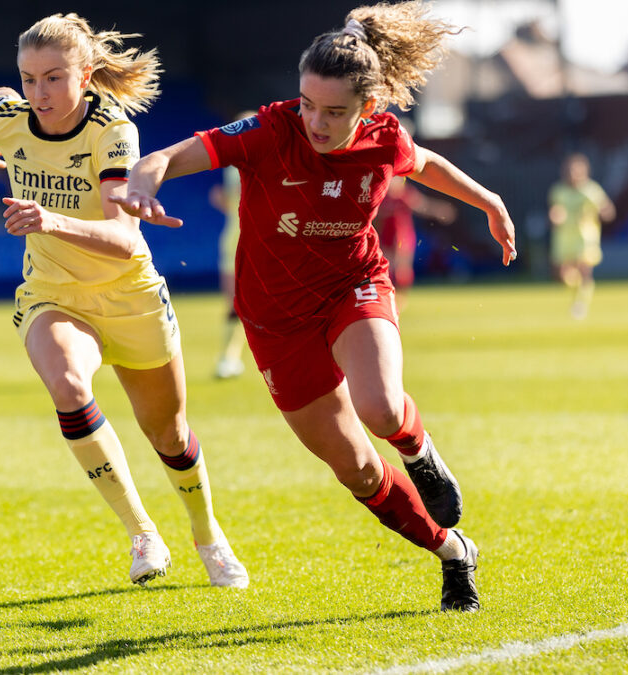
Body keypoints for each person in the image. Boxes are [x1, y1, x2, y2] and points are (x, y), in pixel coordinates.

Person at [112, 1, 518, 611]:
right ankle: (454, 551)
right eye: (307, 104)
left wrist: (488, 200)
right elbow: (165, 157)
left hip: (352, 287)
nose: (316, 122)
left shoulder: (384, 138)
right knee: (355, 468)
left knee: (380, 408)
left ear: (368, 107)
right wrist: (143, 181)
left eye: (335, 112)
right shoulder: (269, 130)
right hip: (274, 321)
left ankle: (418, 451)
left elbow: (426, 163)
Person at [0, 13, 248, 588]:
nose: (37, 94)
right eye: (28, 79)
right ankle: (142, 533)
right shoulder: (9, 115)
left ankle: (206, 533)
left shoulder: (112, 131)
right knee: (68, 386)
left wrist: (47, 217)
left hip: (130, 295)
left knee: (168, 434)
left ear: (86, 73)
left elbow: (124, 240)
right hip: (52, 293)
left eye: (52, 78)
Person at [207, 112, 255, 379]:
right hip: (234, 240)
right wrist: (223, 200)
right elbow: (237, 204)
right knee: (235, 302)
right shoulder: (232, 166)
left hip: (260, 240)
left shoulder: (272, 160)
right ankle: (228, 358)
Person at [548, 152, 615, 319]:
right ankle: (578, 289)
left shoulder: (591, 190)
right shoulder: (558, 190)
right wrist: (555, 216)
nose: (572, 174)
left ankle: (581, 304)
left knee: (584, 269)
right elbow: (555, 211)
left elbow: (608, 210)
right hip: (564, 238)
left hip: (585, 237)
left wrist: (603, 212)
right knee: (562, 275)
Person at [373, 176, 456, 310]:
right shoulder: (381, 196)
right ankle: (388, 295)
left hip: (402, 237)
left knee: (402, 269)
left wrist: (439, 211)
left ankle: (400, 297)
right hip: (385, 237)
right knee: (387, 268)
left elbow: (422, 206)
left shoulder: (404, 195)